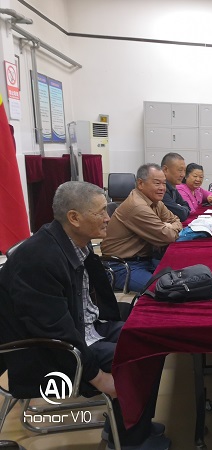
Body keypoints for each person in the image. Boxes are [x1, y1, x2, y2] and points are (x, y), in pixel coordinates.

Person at [0, 181, 170, 450]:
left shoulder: (75, 241)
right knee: (137, 356)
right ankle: (129, 440)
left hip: (85, 326)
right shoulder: (40, 259)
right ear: (74, 218)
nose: (108, 217)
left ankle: (130, 424)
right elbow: (53, 328)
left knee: (150, 338)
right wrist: (98, 377)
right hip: (49, 351)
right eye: (101, 212)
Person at [101, 164, 182, 292]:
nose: (162, 188)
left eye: (164, 183)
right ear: (140, 183)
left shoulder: (155, 202)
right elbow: (168, 236)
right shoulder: (137, 206)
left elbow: (176, 220)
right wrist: (169, 227)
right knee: (167, 289)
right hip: (122, 266)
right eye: (157, 183)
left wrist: (170, 226)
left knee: (183, 274)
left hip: (145, 260)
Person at [160, 152, 190, 221]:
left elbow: (186, 205)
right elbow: (181, 214)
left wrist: (182, 208)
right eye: (180, 170)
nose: (183, 175)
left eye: (184, 171)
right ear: (165, 170)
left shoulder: (172, 186)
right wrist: (181, 208)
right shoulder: (161, 190)